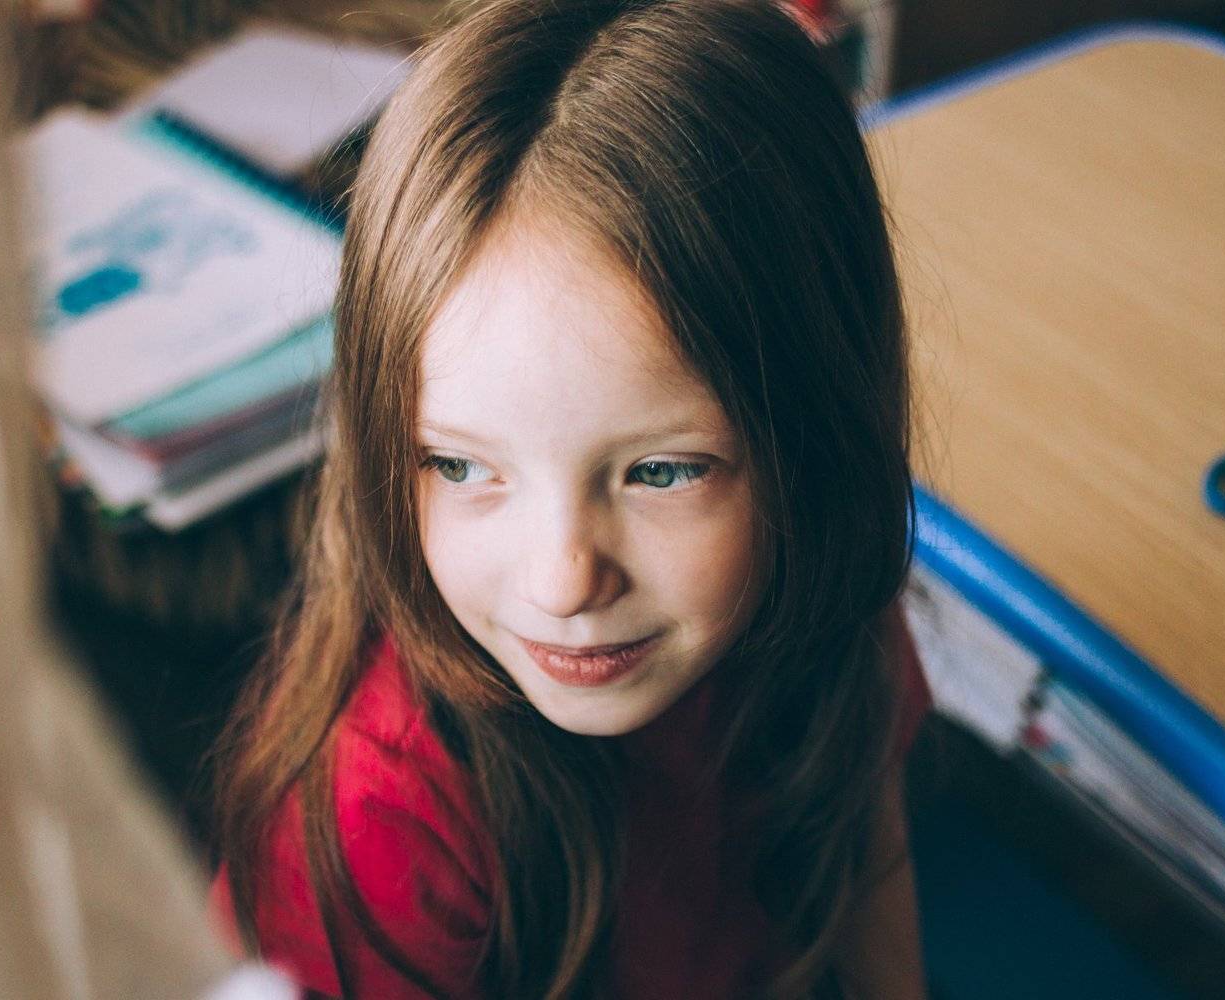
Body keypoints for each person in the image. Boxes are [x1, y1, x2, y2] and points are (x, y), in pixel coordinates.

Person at [212, 1, 931, 996]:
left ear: (814, 443)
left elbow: (865, 847)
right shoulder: (376, 822)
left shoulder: (826, 582)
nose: (562, 583)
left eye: (660, 472)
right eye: (459, 466)